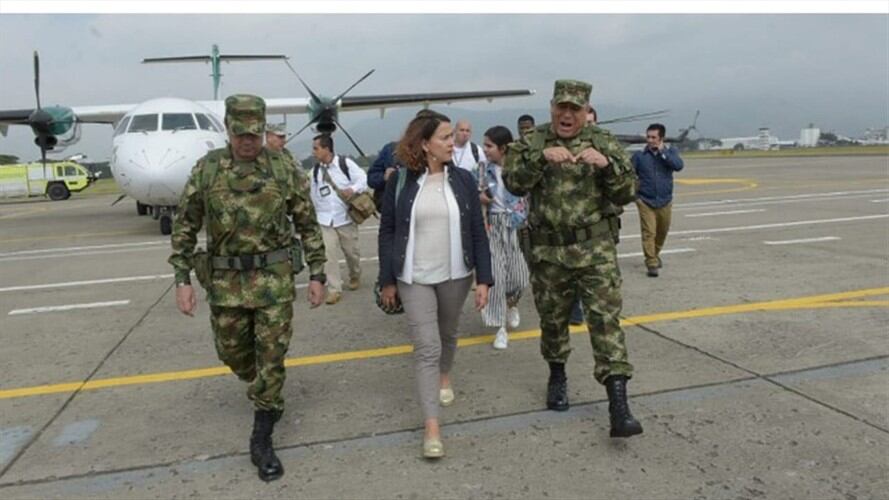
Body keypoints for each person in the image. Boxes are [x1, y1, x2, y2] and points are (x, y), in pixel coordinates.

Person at [169, 94, 327, 481]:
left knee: (271, 355)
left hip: (273, 282)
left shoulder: (281, 168)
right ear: (228, 129)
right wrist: (182, 280)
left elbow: (306, 222)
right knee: (234, 354)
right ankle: (263, 388)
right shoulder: (207, 170)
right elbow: (185, 225)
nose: (247, 141)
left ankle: (263, 432)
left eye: (254, 134)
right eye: (240, 134)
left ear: (263, 129)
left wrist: (319, 273)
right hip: (225, 284)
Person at [503, 80, 643, 438]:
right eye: (561, 108)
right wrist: (539, 158)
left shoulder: (604, 142)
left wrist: (607, 166)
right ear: (552, 107)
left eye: (575, 110)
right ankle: (558, 375)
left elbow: (628, 192)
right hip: (549, 252)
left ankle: (619, 405)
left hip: (596, 251)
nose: (567, 115)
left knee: (606, 322)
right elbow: (513, 183)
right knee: (553, 321)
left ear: (586, 111)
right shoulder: (532, 142)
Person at [378, 111, 493, 458]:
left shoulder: (462, 180)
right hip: (413, 278)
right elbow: (387, 232)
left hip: (456, 274)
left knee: (448, 334)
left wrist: (484, 279)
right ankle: (432, 426)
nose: (452, 143)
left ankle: (446, 374)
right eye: (445, 137)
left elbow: (477, 231)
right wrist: (387, 280)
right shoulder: (399, 182)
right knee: (427, 347)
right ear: (425, 144)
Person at [478, 125, 530, 349]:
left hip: (517, 226)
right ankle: (500, 328)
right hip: (494, 226)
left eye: (489, 146)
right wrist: (480, 196)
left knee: (520, 276)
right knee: (496, 277)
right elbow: (475, 190)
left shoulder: (520, 169)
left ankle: (512, 303)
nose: (485, 150)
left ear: (503, 148)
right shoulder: (483, 169)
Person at [309, 134, 368, 303]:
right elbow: (313, 195)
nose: (313, 152)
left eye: (316, 148)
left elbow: (363, 179)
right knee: (328, 255)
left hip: (345, 219)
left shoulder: (345, 164)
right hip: (325, 221)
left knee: (352, 253)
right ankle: (334, 289)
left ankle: (355, 274)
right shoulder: (314, 172)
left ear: (327, 149)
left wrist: (353, 189)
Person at [632, 123, 685, 277]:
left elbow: (678, 166)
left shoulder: (671, 152)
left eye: (654, 137)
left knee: (662, 230)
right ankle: (651, 262)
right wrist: (635, 196)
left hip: (665, 200)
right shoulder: (639, 156)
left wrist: (663, 152)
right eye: (648, 137)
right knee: (649, 232)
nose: (650, 140)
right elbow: (628, 174)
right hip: (645, 200)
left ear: (661, 138)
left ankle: (655, 253)